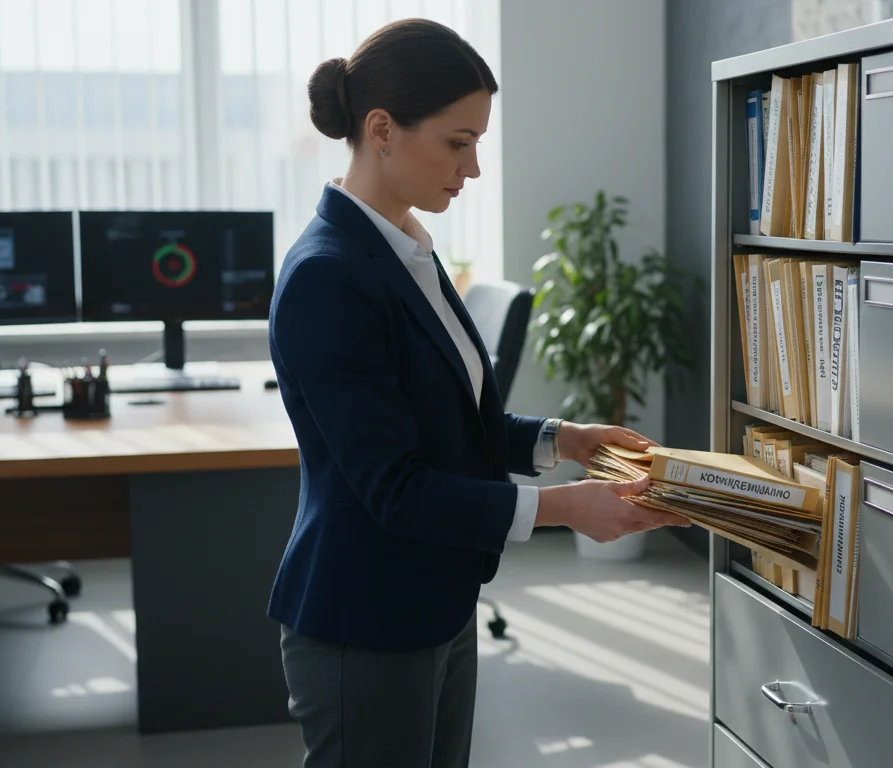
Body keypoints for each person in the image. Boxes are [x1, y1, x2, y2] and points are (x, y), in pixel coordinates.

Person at [266, 18, 690, 768]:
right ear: (382, 129)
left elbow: (450, 422)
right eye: (458, 143)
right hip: (363, 615)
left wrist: (567, 440)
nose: (473, 169)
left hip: (434, 595)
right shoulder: (328, 276)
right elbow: (395, 487)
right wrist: (563, 509)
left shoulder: (408, 250)